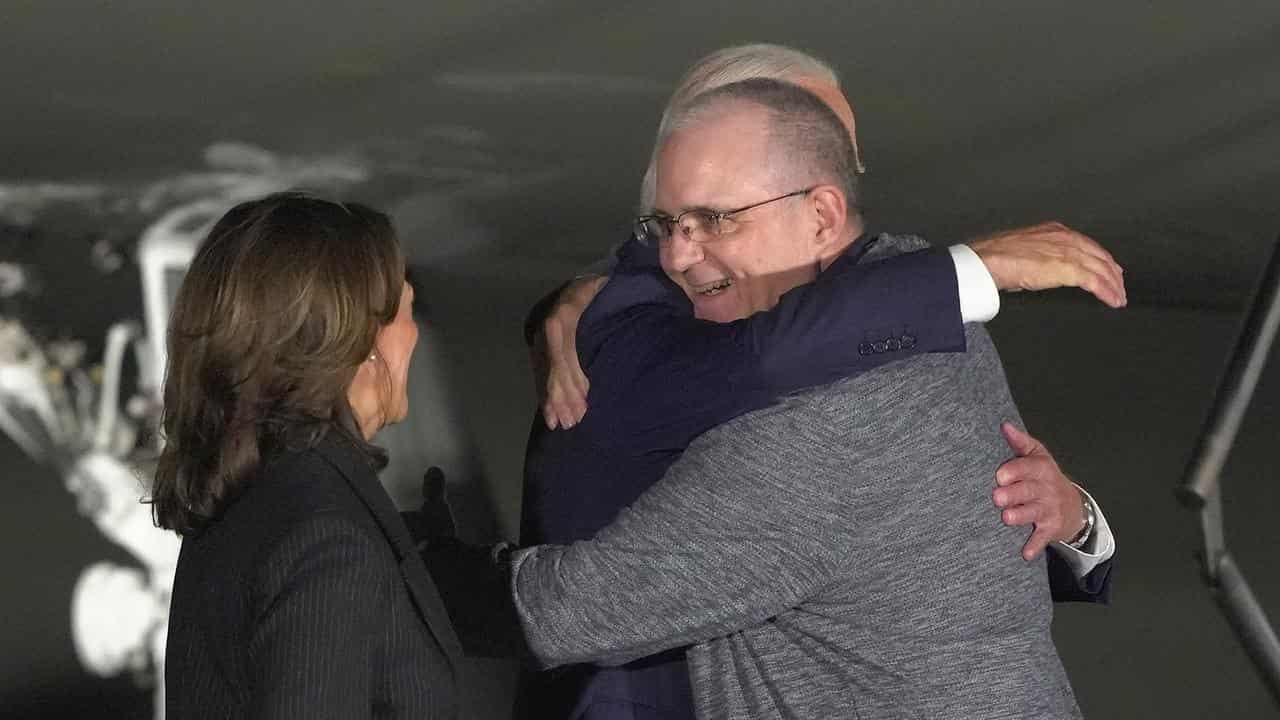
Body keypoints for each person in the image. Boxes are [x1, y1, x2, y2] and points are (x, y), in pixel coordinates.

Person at [438, 77, 1094, 719]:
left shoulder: (816, 434)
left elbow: (565, 613)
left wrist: (396, 562)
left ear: (821, 216)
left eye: (716, 220)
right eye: (665, 225)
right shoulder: (931, 313)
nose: (678, 256)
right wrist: (586, 289)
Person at [155, 193, 464, 719]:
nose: (415, 333)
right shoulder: (328, 536)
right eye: (409, 308)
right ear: (365, 341)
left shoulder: (249, 493)